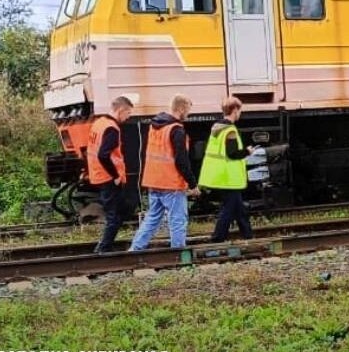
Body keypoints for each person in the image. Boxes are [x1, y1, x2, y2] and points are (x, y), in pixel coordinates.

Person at [129, 94, 200, 250]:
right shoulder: (177, 130)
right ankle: (178, 252)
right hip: (171, 183)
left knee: (152, 218)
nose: (188, 114)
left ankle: (135, 249)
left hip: (153, 181)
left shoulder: (155, 127)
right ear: (181, 108)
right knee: (178, 219)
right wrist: (192, 184)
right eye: (188, 110)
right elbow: (181, 160)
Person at [199, 96, 255, 243]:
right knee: (229, 209)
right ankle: (218, 238)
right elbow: (232, 154)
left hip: (219, 176)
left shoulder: (216, 128)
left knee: (238, 209)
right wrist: (247, 152)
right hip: (228, 177)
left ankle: (248, 235)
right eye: (239, 110)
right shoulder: (230, 130)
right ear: (235, 110)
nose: (240, 113)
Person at [89, 96, 134, 253]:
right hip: (109, 178)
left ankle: (104, 247)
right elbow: (103, 154)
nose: (128, 117)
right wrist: (115, 175)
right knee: (114, 217)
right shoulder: (112, 128)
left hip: (99, 175)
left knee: (119, 212)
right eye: (128, 113)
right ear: (121, 110)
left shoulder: (99, 123)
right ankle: (103, 250)